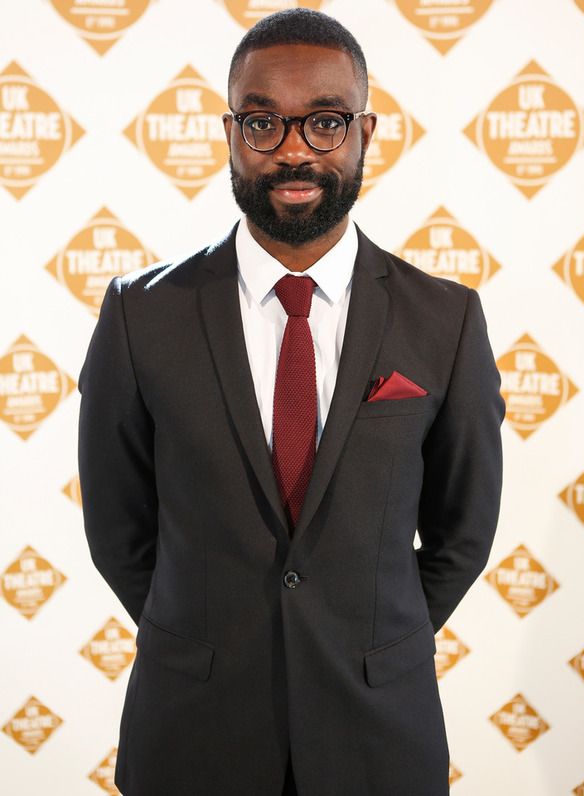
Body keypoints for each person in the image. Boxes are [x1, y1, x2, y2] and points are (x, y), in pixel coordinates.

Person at [77, 9, 505, 796]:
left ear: (366, 131)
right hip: (191, 736)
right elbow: (118, 529)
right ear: (231, 132)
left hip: (379, 736)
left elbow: (462, 534)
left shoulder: (444, 320)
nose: (295, 149)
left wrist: (363, 640)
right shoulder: (141, 314)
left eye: (326, 122)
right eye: (264, 122)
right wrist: (210, 642)